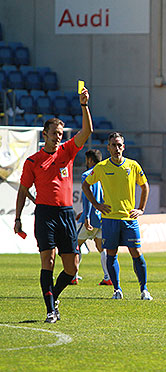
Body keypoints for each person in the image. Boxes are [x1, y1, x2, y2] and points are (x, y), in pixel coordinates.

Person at [13, 88, 93, 323]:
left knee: (72, 268)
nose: (58, 137)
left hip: (66, 214)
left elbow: (87, 131)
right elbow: (23, 190)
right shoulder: (33, 162)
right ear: (44, 134)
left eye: (60, 133)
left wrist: (84, 105)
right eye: (54, 133)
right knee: (48, 260)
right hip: (46, 214)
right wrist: (18, 218)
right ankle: (50, 310)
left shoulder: (67, 151)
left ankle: (53, 296)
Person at [82, 132, 152, 301]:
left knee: (136, 252)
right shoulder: (101, 167)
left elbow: (145, 186)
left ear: (124, 147)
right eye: (113, 145)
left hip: (129, 219)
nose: (116, 148)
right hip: (110, 219)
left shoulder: (133, 165)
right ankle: (117, 289)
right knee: (111, 254)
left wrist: (141, 209)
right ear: (108, 147)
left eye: (119, 145)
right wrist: (97, 205)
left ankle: (144, 289)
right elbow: (85, 185)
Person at [76, 149, 111, 286]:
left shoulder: (87, 175)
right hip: (103, 217)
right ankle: (108, 277)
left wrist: (87, 216)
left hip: (91, 217)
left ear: (89, 160)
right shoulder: (105, 174)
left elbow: (87, 197)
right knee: (101, 247)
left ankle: (73, 275)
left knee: (75, 245)